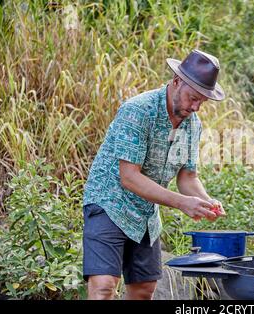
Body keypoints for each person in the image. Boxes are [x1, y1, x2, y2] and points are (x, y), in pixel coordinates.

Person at [82, 49, 226, 300]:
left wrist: (206, 201)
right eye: (193, 98)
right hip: (110, 202)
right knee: (104, 286)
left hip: (146, 214)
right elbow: (129, 177)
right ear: (176, 81)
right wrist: (181, 203)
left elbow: (187, 176)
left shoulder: (193, 125)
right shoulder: (139, 110)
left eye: (202, 101)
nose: (196, 107)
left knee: (143, 290)